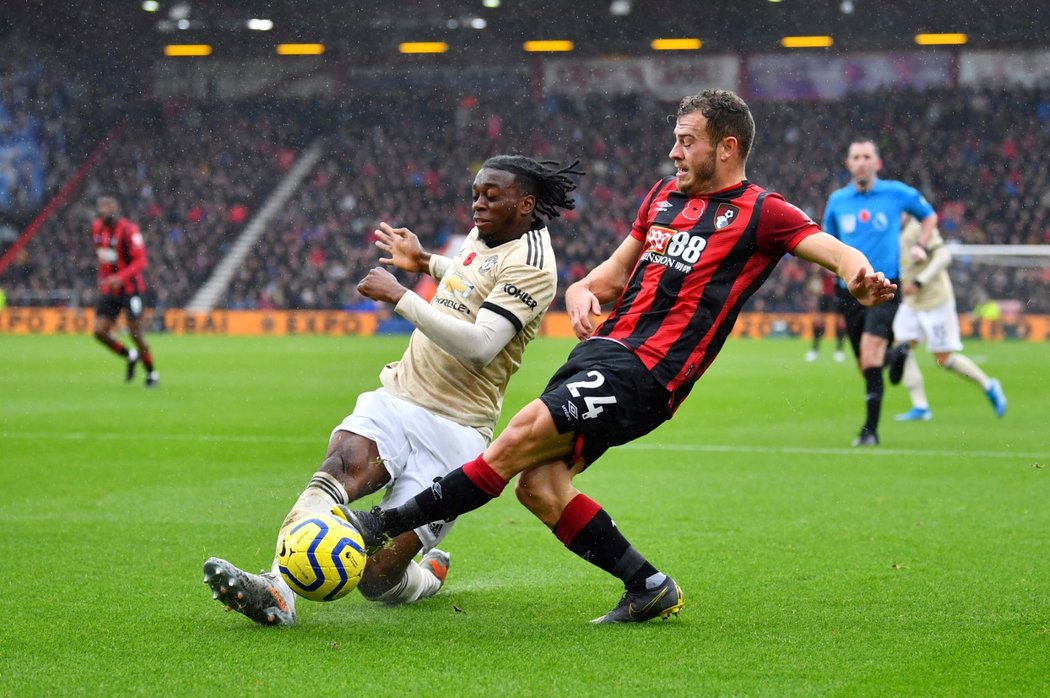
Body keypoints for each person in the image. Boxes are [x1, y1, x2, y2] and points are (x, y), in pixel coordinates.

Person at [337, 90, 896, 624]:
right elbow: (608, 276)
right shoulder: (662, 197)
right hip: (600, 355)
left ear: (726, 147)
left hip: (649, 371)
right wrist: (583, 292)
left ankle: (380, 524)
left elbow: (833, 249)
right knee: (539, 487)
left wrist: (858, 277)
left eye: (686, 141)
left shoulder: (760, 212)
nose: (674, 152)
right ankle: (647, 586)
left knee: (518, 435)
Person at [203, 155, 584, 626]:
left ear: (526, 204)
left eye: (492, 196)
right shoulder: (489, 232)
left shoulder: (533, 265)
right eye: (476, 194)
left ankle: (425, 579)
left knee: (377, 576)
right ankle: (278, 591)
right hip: (400, 396)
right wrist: (424, 262)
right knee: (339, 468)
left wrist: (401, 295)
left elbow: (483, 346)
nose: (478, 205)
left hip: (457, 429)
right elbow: (471, 277)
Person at [822, 140, 936, 446]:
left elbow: (929, 215)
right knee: (865, 364)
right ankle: (896, 354)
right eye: (855, 157)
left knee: (871, 354)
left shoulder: (896, 193)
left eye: (866, 157)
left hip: (884, 288)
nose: (861, 162)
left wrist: (920, 245)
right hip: (849, 291)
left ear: (877, 163)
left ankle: (870, 431)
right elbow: (827, 241)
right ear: (848, 164)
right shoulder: (837, 201)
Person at [886, 216, 1007, 420]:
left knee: (944, 359)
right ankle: (920, 406)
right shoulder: (892, 233)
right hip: (912, 302)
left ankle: (989, 385)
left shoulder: (919, 229)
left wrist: (919, 281)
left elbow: (943, 256)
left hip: (935, 301)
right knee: (901, 348)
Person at [90, 196, 158, 387]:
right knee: (99, 331)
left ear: (115, 210)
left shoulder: (129, 230)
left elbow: (141, 261)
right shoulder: (96, 228)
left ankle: (152, 374)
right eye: (101, 208)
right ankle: (130, 355)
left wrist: (119, 277)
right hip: (111, 290)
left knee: (135, 333)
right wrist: (103, 279)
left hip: (131, 289)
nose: (103, 211)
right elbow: (103, 258)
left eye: (107, 208)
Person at [803, 265, 847, 363]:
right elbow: (815, 271)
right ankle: (815, 350)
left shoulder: (840, 260)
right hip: (825, 295)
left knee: (840, 323)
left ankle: (839, 351)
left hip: (838, 294)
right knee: (819, 322)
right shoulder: (825, 262)